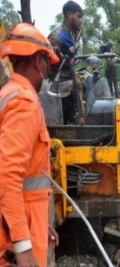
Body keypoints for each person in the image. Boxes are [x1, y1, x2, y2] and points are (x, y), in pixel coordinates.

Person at [0, 22, 59, 267]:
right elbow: (7, 176)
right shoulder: (23, 103)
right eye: (47, 62)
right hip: (12, 246)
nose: (48, 71)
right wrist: (23, 247)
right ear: (37, 61)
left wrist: (38, 222)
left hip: (16, 227)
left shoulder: (8, 94)